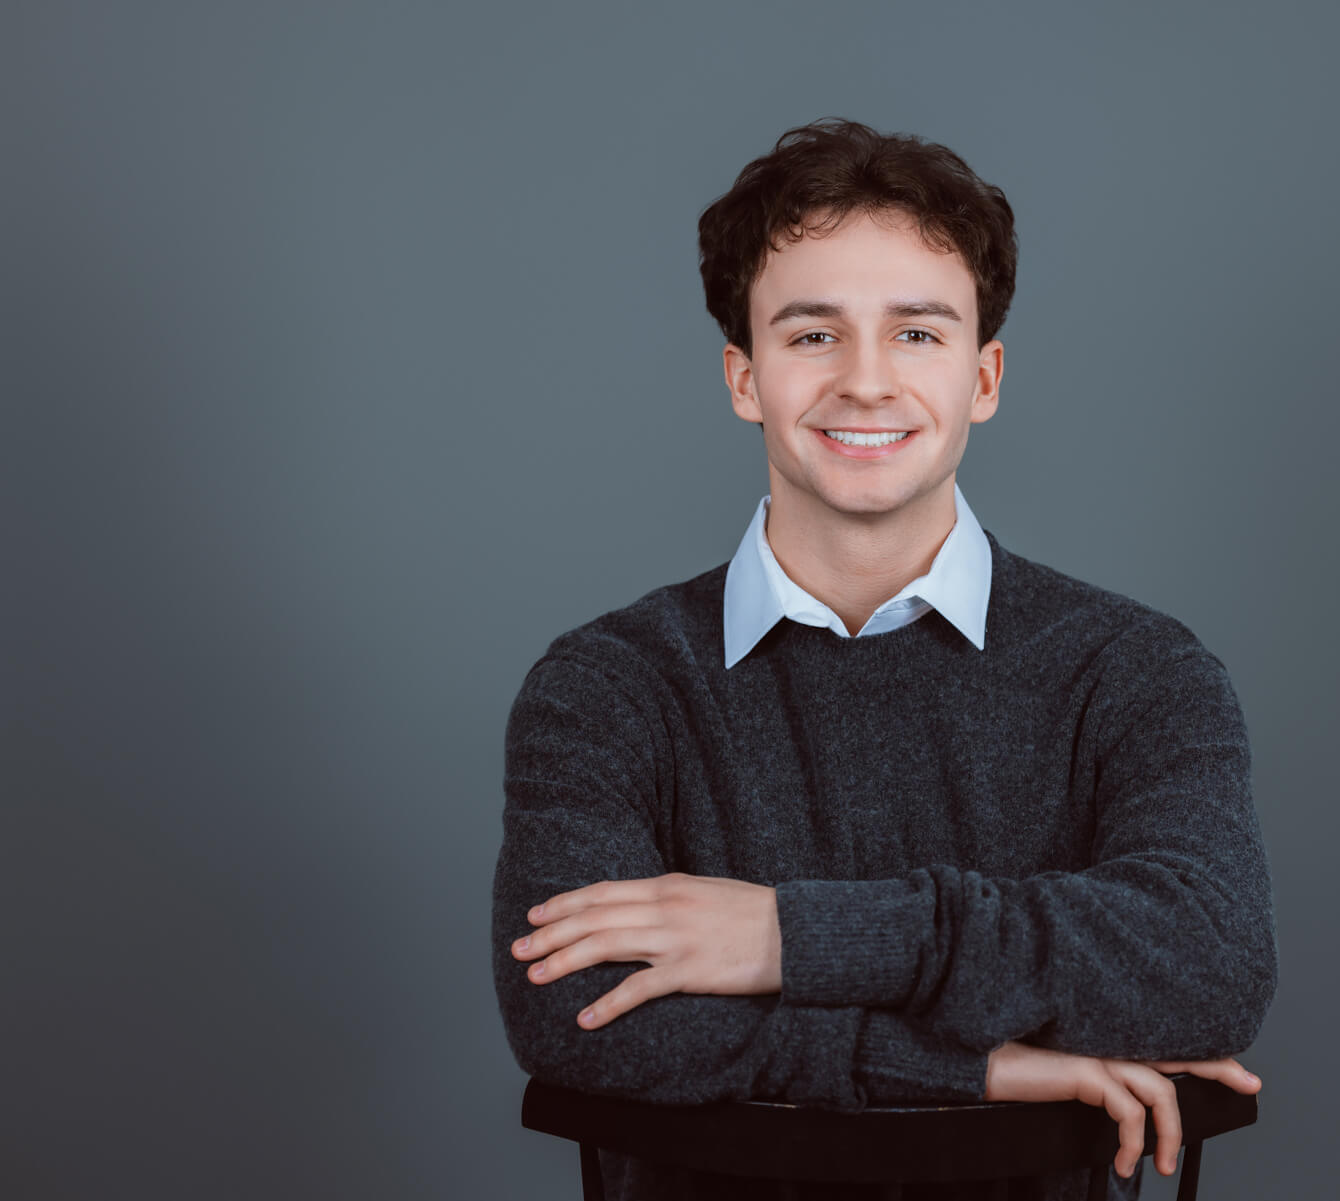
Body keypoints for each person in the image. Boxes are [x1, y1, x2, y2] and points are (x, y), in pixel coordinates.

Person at [490, 117, 1278, 1201]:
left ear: (984, 378)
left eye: (917, 333)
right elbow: (573, 1013)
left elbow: (1206, 963)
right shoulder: (606, 688)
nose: (866, 382)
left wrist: (784, 936)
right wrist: (980, 1067)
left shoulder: (1136, 672)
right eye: (814, 335)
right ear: (743, 377)